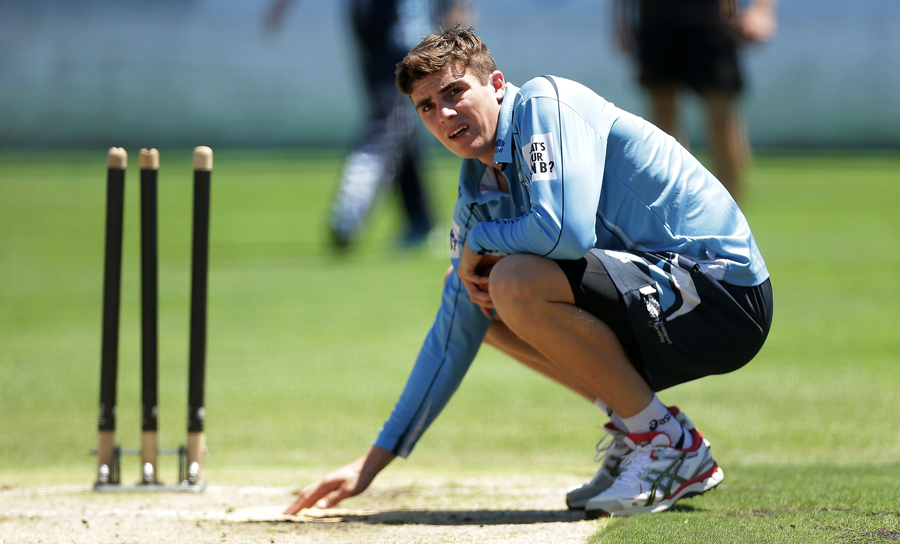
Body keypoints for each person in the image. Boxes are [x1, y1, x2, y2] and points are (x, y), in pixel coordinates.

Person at [285, 26, 772, 518]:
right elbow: (454, 332)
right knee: (476, 296)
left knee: (512, 280)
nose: (444, 114)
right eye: (426, 107)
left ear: (496, 84)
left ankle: (667, 445)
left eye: (454, 92)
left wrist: (479, 241)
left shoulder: (544, 104)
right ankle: (641, 426)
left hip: (723, 292)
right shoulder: (477, 188)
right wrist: (372, 463)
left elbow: (564, 231)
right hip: (667, 297)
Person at [264, 0, 473, 249]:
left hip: (405, 23)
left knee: (389, 119)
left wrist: (456, 11)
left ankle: (351, 206)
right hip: (370, 22)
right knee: (396, 121)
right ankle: (419, 219)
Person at [614, 0, 777, 203]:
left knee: (722, 120)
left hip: (713, 12)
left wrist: (762, 9)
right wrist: (621, 19)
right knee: (663, 125)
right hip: (655, 13)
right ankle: (677, 213)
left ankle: (731, 218)